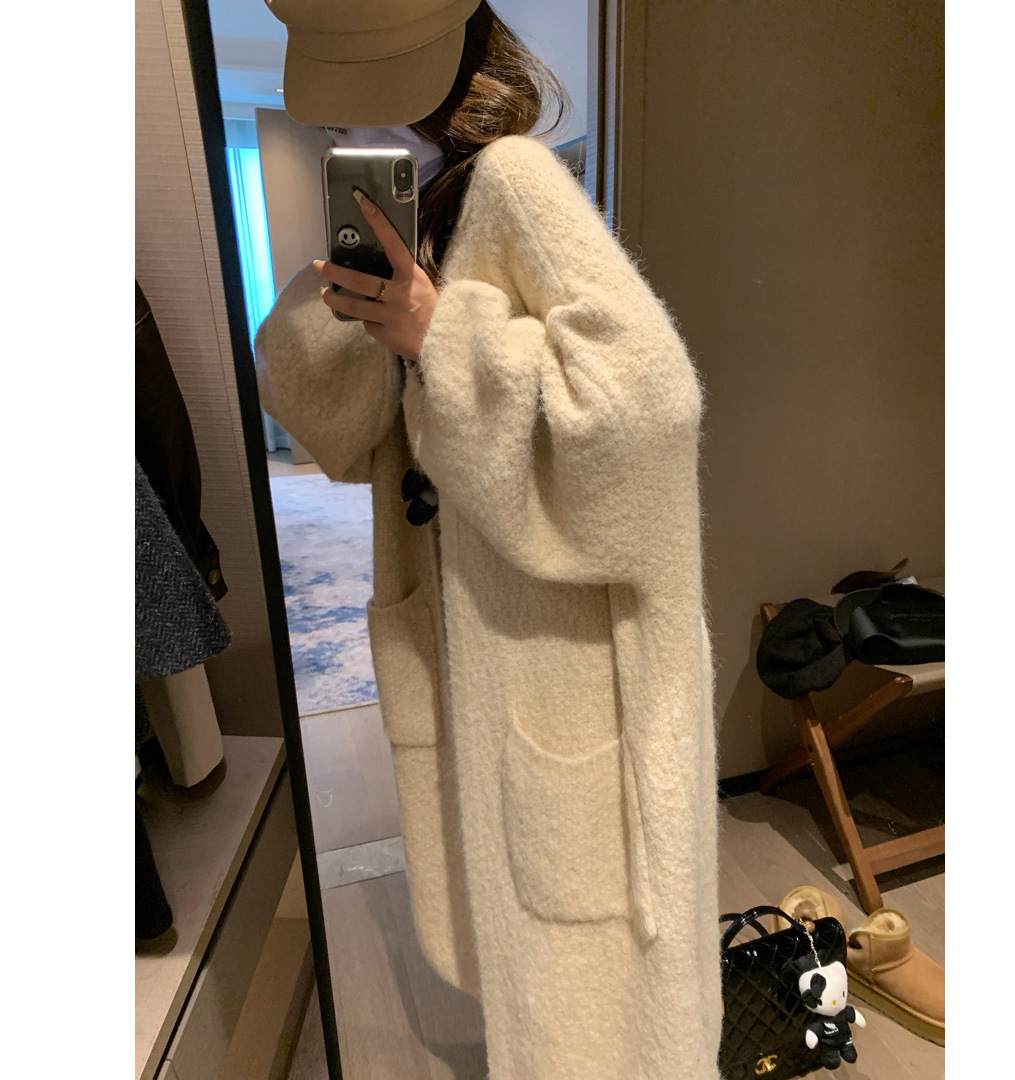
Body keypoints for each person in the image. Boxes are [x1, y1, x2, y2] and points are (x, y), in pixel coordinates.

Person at [255, 3, 722, 1078]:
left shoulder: (514, 178)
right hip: (476, 645)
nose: (342, 128)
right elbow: (340, 436)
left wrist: (442, 334)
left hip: (562, 660)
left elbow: (650, 410)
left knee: (597, 983)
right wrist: (353, 305)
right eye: (332, 113)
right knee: (532, 954)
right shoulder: (422, 204)